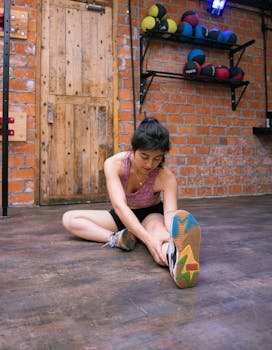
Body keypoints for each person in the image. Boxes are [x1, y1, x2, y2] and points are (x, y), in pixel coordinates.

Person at [62, 117, 201, 288]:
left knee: (160, 238)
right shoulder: (114, 164)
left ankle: (177, 259)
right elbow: (119, 206)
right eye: (144, 156)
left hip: (150, 214)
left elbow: (170, 214)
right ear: (134, 149)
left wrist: (171, 234)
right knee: (69, 219)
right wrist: (146, 239)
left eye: (157, 158)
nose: (150, 164)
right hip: (123, 215)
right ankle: (117, 239)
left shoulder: (166, 177)